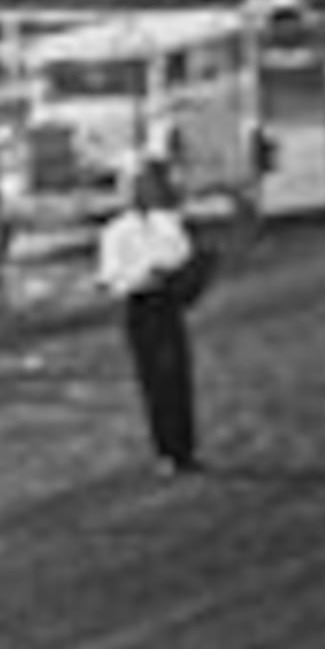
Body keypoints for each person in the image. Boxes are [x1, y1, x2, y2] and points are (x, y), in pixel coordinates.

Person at [96, 149, 204, 474]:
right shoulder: (115, 233)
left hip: (167, 301)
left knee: (178, 376)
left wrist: (175, 273)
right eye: (133, 186)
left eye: (144, 185)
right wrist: (141, 276)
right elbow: (111, 277)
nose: (140, 192)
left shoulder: (167, 223)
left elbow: (182, 254)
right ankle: (166, 450)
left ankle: (184, 447)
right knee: (154, 379)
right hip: (140, 305)